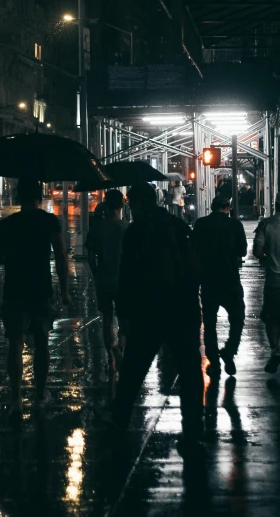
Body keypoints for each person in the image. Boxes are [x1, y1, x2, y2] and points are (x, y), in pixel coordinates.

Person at [108, 182, 204, 454]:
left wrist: (124, 313)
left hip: (149, 311)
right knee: (189, 372)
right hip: (183, 309)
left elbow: (126, 277)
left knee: (134, 368)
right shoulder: (178, 226)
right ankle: (193, 431)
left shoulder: (135, 232)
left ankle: (120, 418)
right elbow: (195, 267)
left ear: (139, 204)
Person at [0, 177, 70, 420]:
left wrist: (14, 253)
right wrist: (64, 289)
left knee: (15, 343)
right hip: (40, 288)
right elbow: (61, 256)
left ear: (17, 197)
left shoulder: (6, 225)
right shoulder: (48, 221)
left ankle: (16, 399)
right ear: (40, 197)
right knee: (43, 342)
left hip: (15, 289)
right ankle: (39, 393)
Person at [193, 197, 247, 377]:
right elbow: (243, 251)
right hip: (230, 279)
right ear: (227, 208)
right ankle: (229, 350)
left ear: (212, 207)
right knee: (237, 317)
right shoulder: (235, 225)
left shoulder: (201, 225)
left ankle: (213, 362)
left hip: (208, 280)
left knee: (209, 322)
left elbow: (193, 249)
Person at [86, 189, 128, 369]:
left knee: (107, 319)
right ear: (122, 204)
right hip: (124, 280)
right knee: (125, 319)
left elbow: (90, 255)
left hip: (103, 279)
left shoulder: (97, 228)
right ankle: (120, 347)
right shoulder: (126, 229)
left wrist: (96, 272)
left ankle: (110, 354)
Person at [253, 194, 280, 373]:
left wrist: (267, 258)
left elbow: (257, 250)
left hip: (274, 280)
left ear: (276, 204)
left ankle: (276, 350)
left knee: (271, 318)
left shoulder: (267, 224)